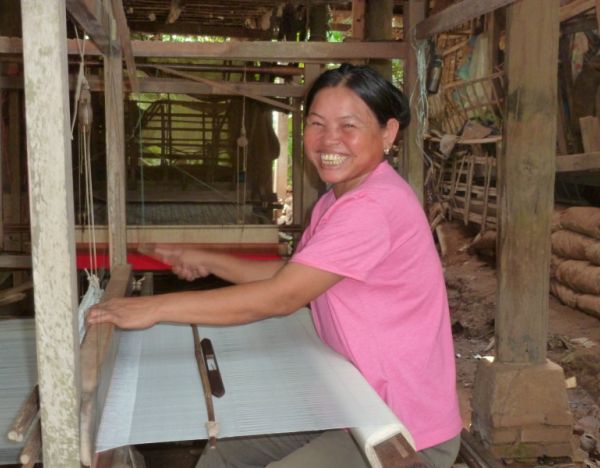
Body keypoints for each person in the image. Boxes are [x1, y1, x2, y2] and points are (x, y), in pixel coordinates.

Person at [88, 63, 462, 467]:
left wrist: (153, 309)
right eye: (317, 124)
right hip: (346, 395)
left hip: (398, 427)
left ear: (387, 133)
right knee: (221, 460)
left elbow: (283, 296)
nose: (329, 140)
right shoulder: (337, 199)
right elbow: (296, 274)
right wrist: (210, 260)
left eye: (348, 125)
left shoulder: (372, 206)